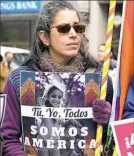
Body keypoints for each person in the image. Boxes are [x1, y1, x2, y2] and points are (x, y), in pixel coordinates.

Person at [0, 1, 112, 156]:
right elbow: (8, 139)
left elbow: (116, 140)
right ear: (44, 37)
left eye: (78, 28)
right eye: (64, 28)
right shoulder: (19, 79)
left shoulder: (101, 81)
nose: (73, 34)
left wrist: (107, 124)